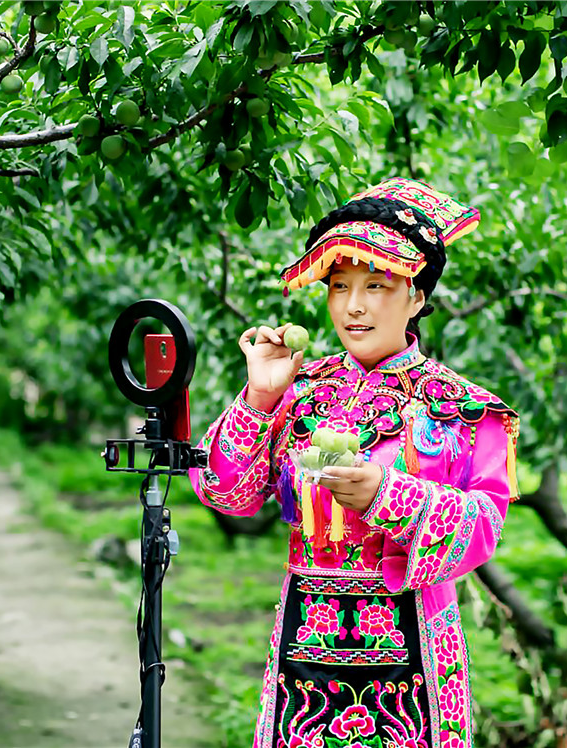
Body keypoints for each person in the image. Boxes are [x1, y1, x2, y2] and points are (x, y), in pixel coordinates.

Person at [189, 177, 520, 748]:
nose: (353, 305)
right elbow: (226, 494)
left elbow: (485, 526)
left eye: (376, 286)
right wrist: (261, 397)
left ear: (417, 296)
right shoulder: (300, 389)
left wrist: (390, 496)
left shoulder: (461, 407)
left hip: (413, 663)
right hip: (303, 652)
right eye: (339, 286)